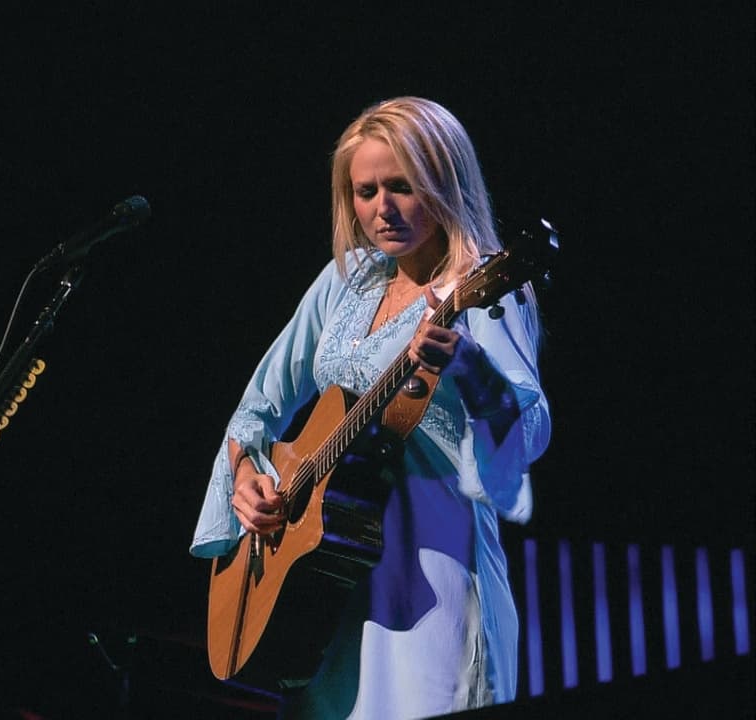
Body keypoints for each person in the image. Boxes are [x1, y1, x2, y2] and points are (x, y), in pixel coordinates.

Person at [190, 96, 551, 719]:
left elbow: (529, 430)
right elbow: (255, 411)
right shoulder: (346, 280)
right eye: (365, 191)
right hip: (324, 588)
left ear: (445, 184)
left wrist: (465, 364)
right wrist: (246, 478)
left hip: (435, 584)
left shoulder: (482, 291)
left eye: (402, 187)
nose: (381, 208)